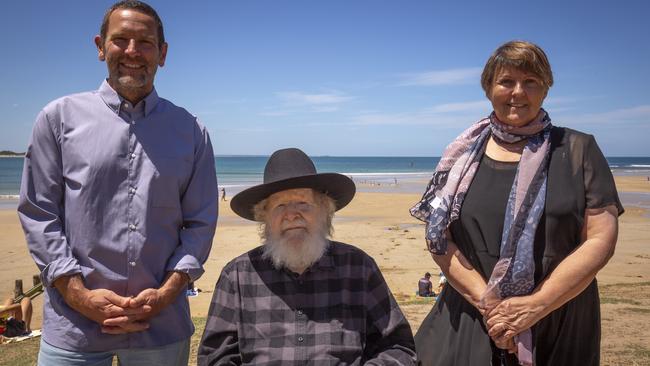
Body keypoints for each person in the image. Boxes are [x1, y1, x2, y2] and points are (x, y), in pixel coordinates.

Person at [18, 1, 218, 364]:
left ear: (163, 53)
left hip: (161, 325)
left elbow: (201, 223)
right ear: (100, 46)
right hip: (73, 328)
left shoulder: (191, 131)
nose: (132, 51)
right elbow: (38, 213)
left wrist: (167, 292)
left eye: (144, 42)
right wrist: (79, 296)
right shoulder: (57, 119)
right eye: (120, 39)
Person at [410, 40, 623, 366]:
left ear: (545, 90)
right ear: (488, 88)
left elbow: (600, 238)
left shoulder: (579, 149)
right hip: (471, 314)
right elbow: (440, 239)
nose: (518, 92)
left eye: (531, 82)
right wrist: (493, 309)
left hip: (558, 315)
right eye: (507, 81)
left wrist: (535, 305)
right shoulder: (463, 154)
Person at [198, 148, 416, 365]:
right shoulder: (237, 276)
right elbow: (215, 358)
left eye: (303, 203)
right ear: (264, 217)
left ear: (325, 211)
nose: (292, 214)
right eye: (280, 205)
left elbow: (399, 348)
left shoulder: (358, 267)